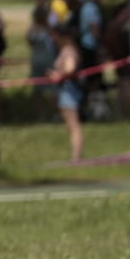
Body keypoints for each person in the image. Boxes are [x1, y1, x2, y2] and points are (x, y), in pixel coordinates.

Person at [49, 24, 84, 161]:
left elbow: (70, 69)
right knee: (70, 126)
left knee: (73, 125)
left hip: (68, 91)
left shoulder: (68, 51)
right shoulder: (65, 50)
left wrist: (58, 75)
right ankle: (76, 155)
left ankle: (76, 157)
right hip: (66, 90)